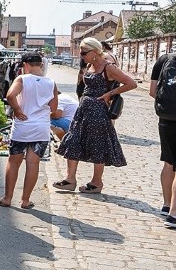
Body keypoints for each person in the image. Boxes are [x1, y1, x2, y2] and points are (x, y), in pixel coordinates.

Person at [53, 38, 137, 193]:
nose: (82, 56)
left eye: (84, 53)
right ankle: (70, 179)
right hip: (83, 110)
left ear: (94, 51)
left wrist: (110, 94)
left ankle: (96, 183)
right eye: (81, 53)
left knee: (98, 144)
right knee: (73, 140)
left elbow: (131, 83)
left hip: (99, 111)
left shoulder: (108, 67)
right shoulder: (89, 65)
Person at [0, 52, 57, 209]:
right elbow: (54, 109)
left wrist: (18, 110)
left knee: (14, 162)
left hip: (23, 126)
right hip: (40, 128)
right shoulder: (51, 83)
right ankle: (25, 200)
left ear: (25, 65)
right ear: (41, 65)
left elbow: (10, 95)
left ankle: (7, 198)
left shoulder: (22, 79)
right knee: (33, 164)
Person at [150, 49, 176, 225]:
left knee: (169, 162)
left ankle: (167, 205)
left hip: (166, 117)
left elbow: (153, 91)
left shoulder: (164, 59)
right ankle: (175, 214)